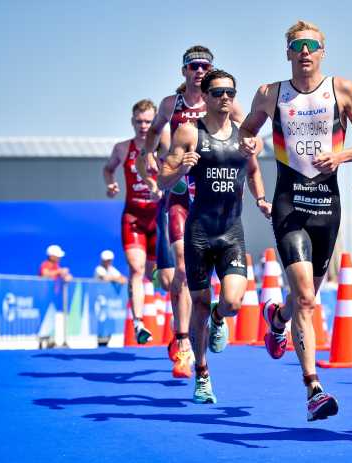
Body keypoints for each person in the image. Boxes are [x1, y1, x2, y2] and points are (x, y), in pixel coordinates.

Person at [239, 20, 352, 421]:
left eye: (312, 46)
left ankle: (275, 318)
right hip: (289, 203)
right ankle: (313, 388)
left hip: (327, 207)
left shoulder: (342, 89)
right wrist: (249, 141)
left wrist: (341, 156)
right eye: (297, 45)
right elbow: (246, 132)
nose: (304, 52)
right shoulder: (269, 94)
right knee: (306, 298)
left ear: (322, 52)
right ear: (288, 52)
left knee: (305, 299)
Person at [159, 69, 269, 401]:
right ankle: (202, 373)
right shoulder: (188, 133)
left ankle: (221, 319)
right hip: (198, 234)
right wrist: (180, 168)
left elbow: (253, 171)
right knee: (201, 304)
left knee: (232, 302)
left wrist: (262, 199)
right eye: (218, 93)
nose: (225, 98)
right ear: (205, 97)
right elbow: (164, 180)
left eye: (230, 93)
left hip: (231, 231)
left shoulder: (244, 137)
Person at [137, 45, 245, 369]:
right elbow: (152, 136)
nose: (199, 71)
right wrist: (153, 165)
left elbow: (250, 133)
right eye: (193, 66)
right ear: (184, 71)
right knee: (181, 268)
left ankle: (216, 318)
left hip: (217, 199)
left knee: (199, 279)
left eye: (204, 66)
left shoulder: (225, 101)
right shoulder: (172, 105)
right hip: (183, 196)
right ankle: (182, 339)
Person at [103, 99, 160, 344]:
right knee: (136, 270)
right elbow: (108, 169)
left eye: (148, 121)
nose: (143, 126)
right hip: (134, 217)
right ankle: (138, 323)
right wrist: (111, 183)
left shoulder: (164, 147)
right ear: (132, 122)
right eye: (139, 121)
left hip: (159, 220)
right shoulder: (122, 148)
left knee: (157, 275)